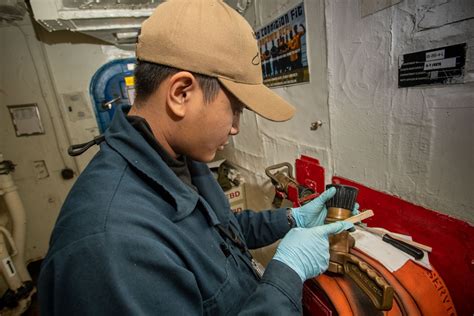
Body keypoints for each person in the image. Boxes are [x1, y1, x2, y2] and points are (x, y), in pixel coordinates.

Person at [38, 0, 355, 315]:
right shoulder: (109, 248)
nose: (234, 128)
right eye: (235, 109)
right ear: (181, 94)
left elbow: (217, 234)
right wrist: (287, 273)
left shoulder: (178, 160)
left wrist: (290, 220)